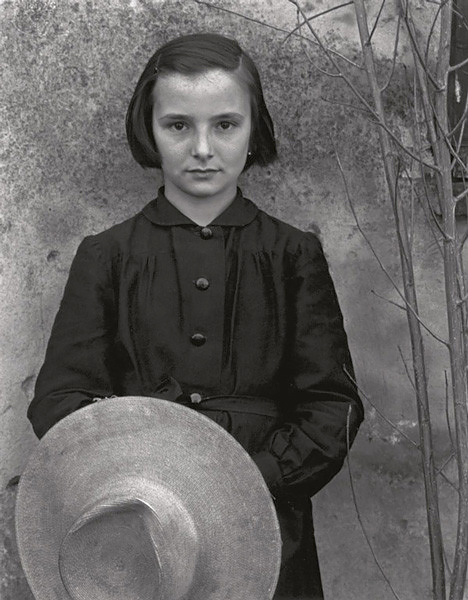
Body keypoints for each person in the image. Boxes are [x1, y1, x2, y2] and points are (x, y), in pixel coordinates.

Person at [27, 32, 364, 600]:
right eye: (179, 125)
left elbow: (334, 405)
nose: (202, 147)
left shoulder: (291, 255)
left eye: (225, 125)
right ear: (148, 129)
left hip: (266, 521)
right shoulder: (107, 255)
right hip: (140, 533)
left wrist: (251, 479)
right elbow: (60, 399)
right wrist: (149, 475)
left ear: (254, 129)